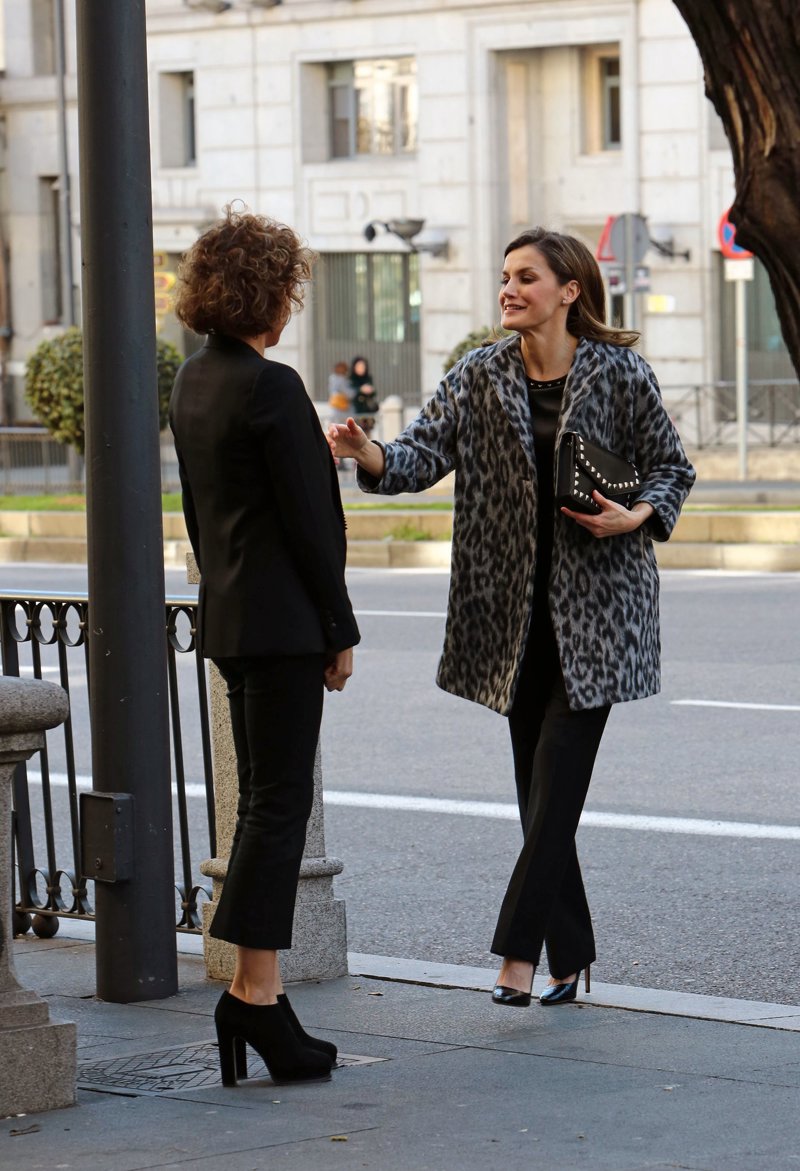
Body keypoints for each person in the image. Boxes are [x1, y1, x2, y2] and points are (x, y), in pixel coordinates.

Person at [328, 227, 695, 1010]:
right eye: (505, 275)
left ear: (569, 290)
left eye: (527, 276)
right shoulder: (479, 374)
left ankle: (518, 956)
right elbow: (420, 455)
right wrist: (368, 453)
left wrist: (634, 516)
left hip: (600, 617)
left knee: (555, 785)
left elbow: (671, 467)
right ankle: (573, 956)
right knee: (540, 792)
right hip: (509, 619)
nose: (509, 288)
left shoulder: (621, 373)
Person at [169, 206, 360, 1085]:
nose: (290, 303)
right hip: (284, 625)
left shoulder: (193, 380)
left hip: (231, 617)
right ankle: (252, 999)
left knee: (259, 808)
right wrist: (338, 627)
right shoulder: (272, 387)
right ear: (268, 295)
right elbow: (312, 525)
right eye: (287, 288)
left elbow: (199, 512)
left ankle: (259, 994)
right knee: (277, 808)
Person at [349, 355, 379, 435]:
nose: (361, 369)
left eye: (363, 366)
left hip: (367, 415)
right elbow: (349, 394)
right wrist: (360, 390)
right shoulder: (350, 379)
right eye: (359, 366)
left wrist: (370, 391)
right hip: (354, 413)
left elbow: (373, 395)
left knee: (367, 437)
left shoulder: (368, 378)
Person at [327, 360, 353, 424]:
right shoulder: (338, 379)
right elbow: (347, 392)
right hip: (338, 405)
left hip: (341, 406)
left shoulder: (334, 378)